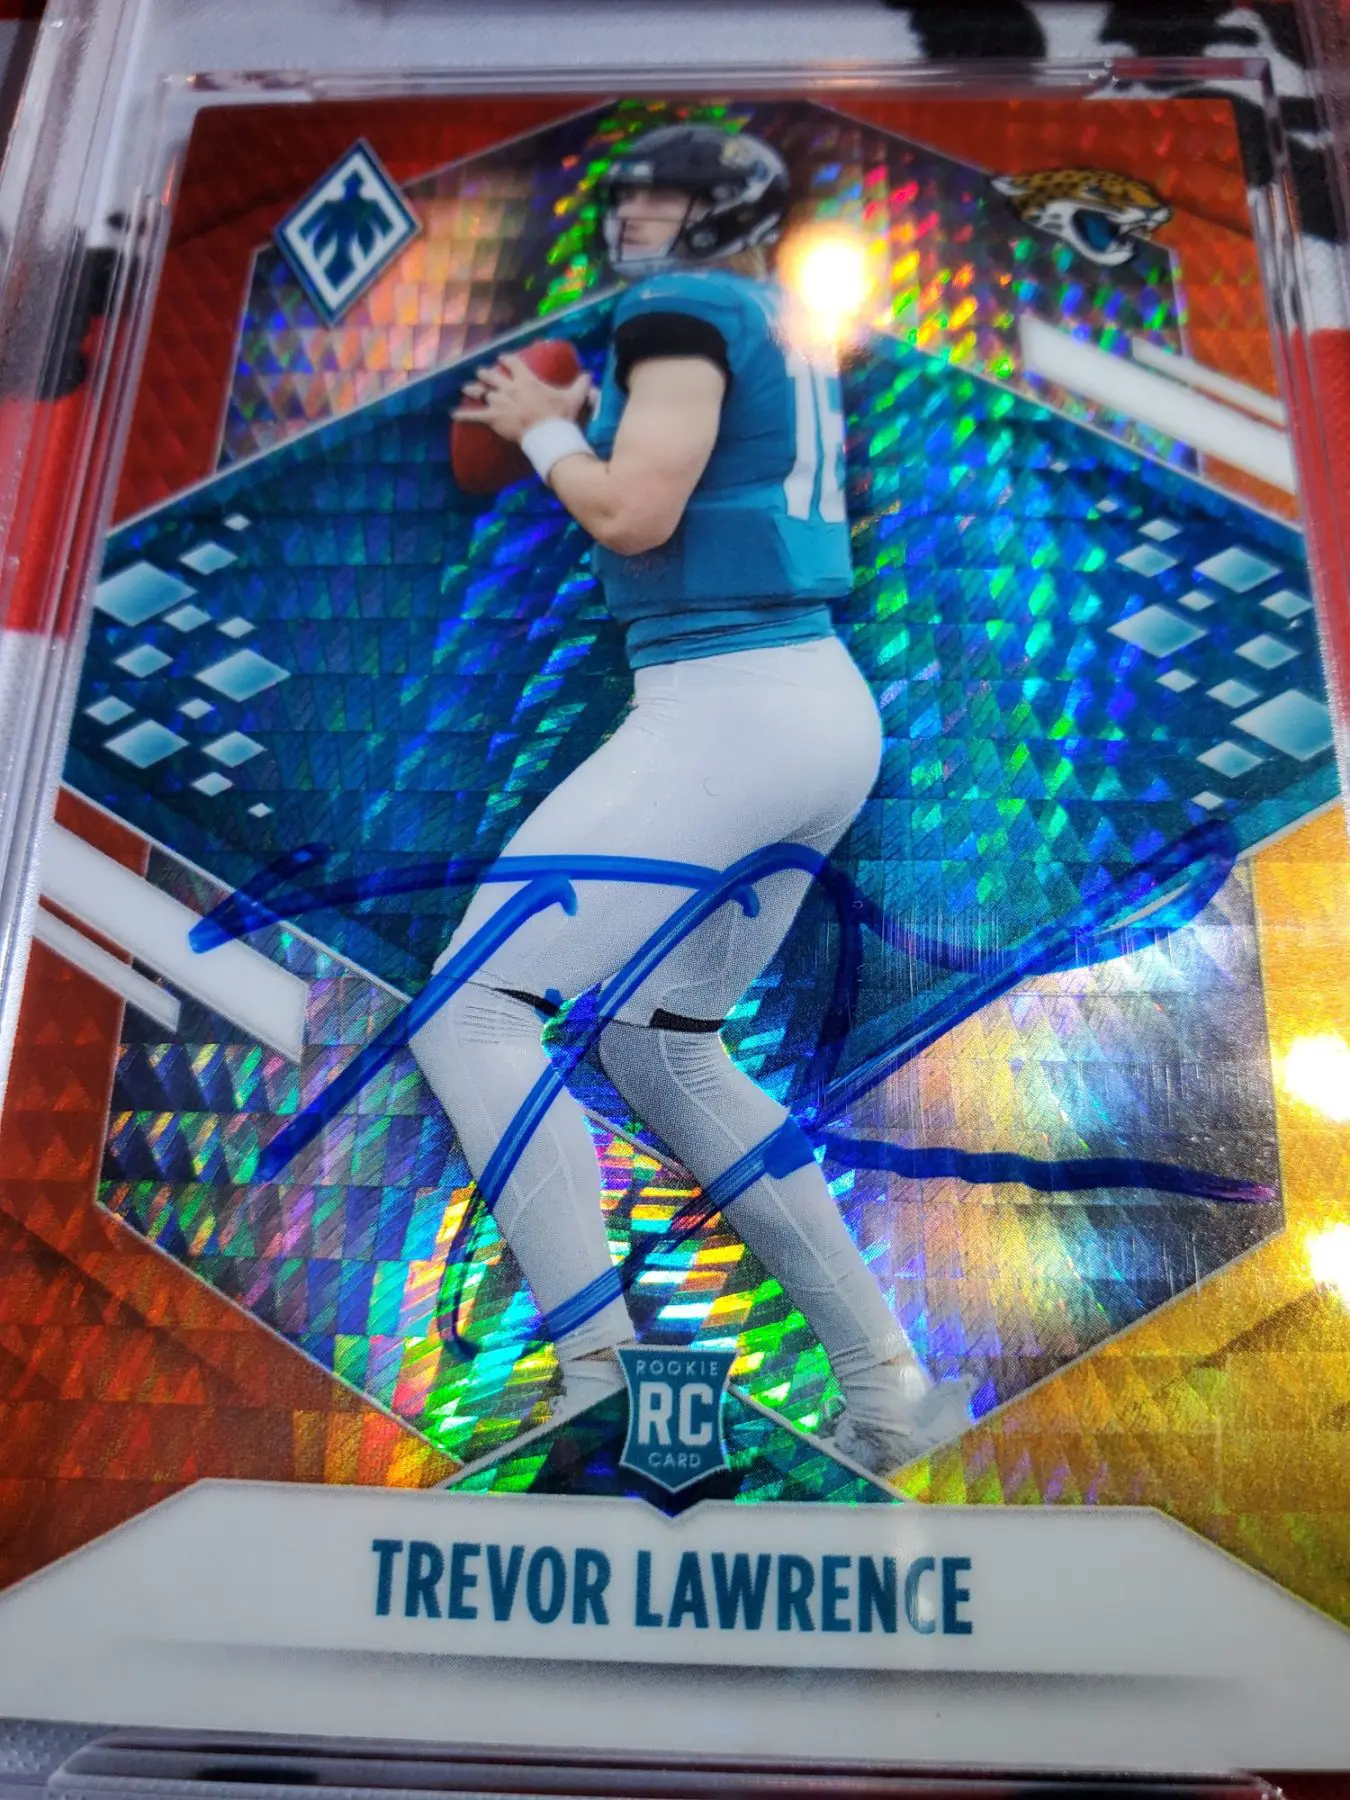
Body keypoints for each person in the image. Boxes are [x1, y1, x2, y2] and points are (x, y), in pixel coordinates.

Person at [411, 123, 972, 1476]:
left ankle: (598, 1373)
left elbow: (635, 513)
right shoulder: (774, 318)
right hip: (808, 704)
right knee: (664, 1047)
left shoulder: (683, 310)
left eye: (661, 201)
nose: (634, 222)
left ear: (718, 213)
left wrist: (545, 428)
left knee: (470, 1014)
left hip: (729, 702)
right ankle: (893, 1390)